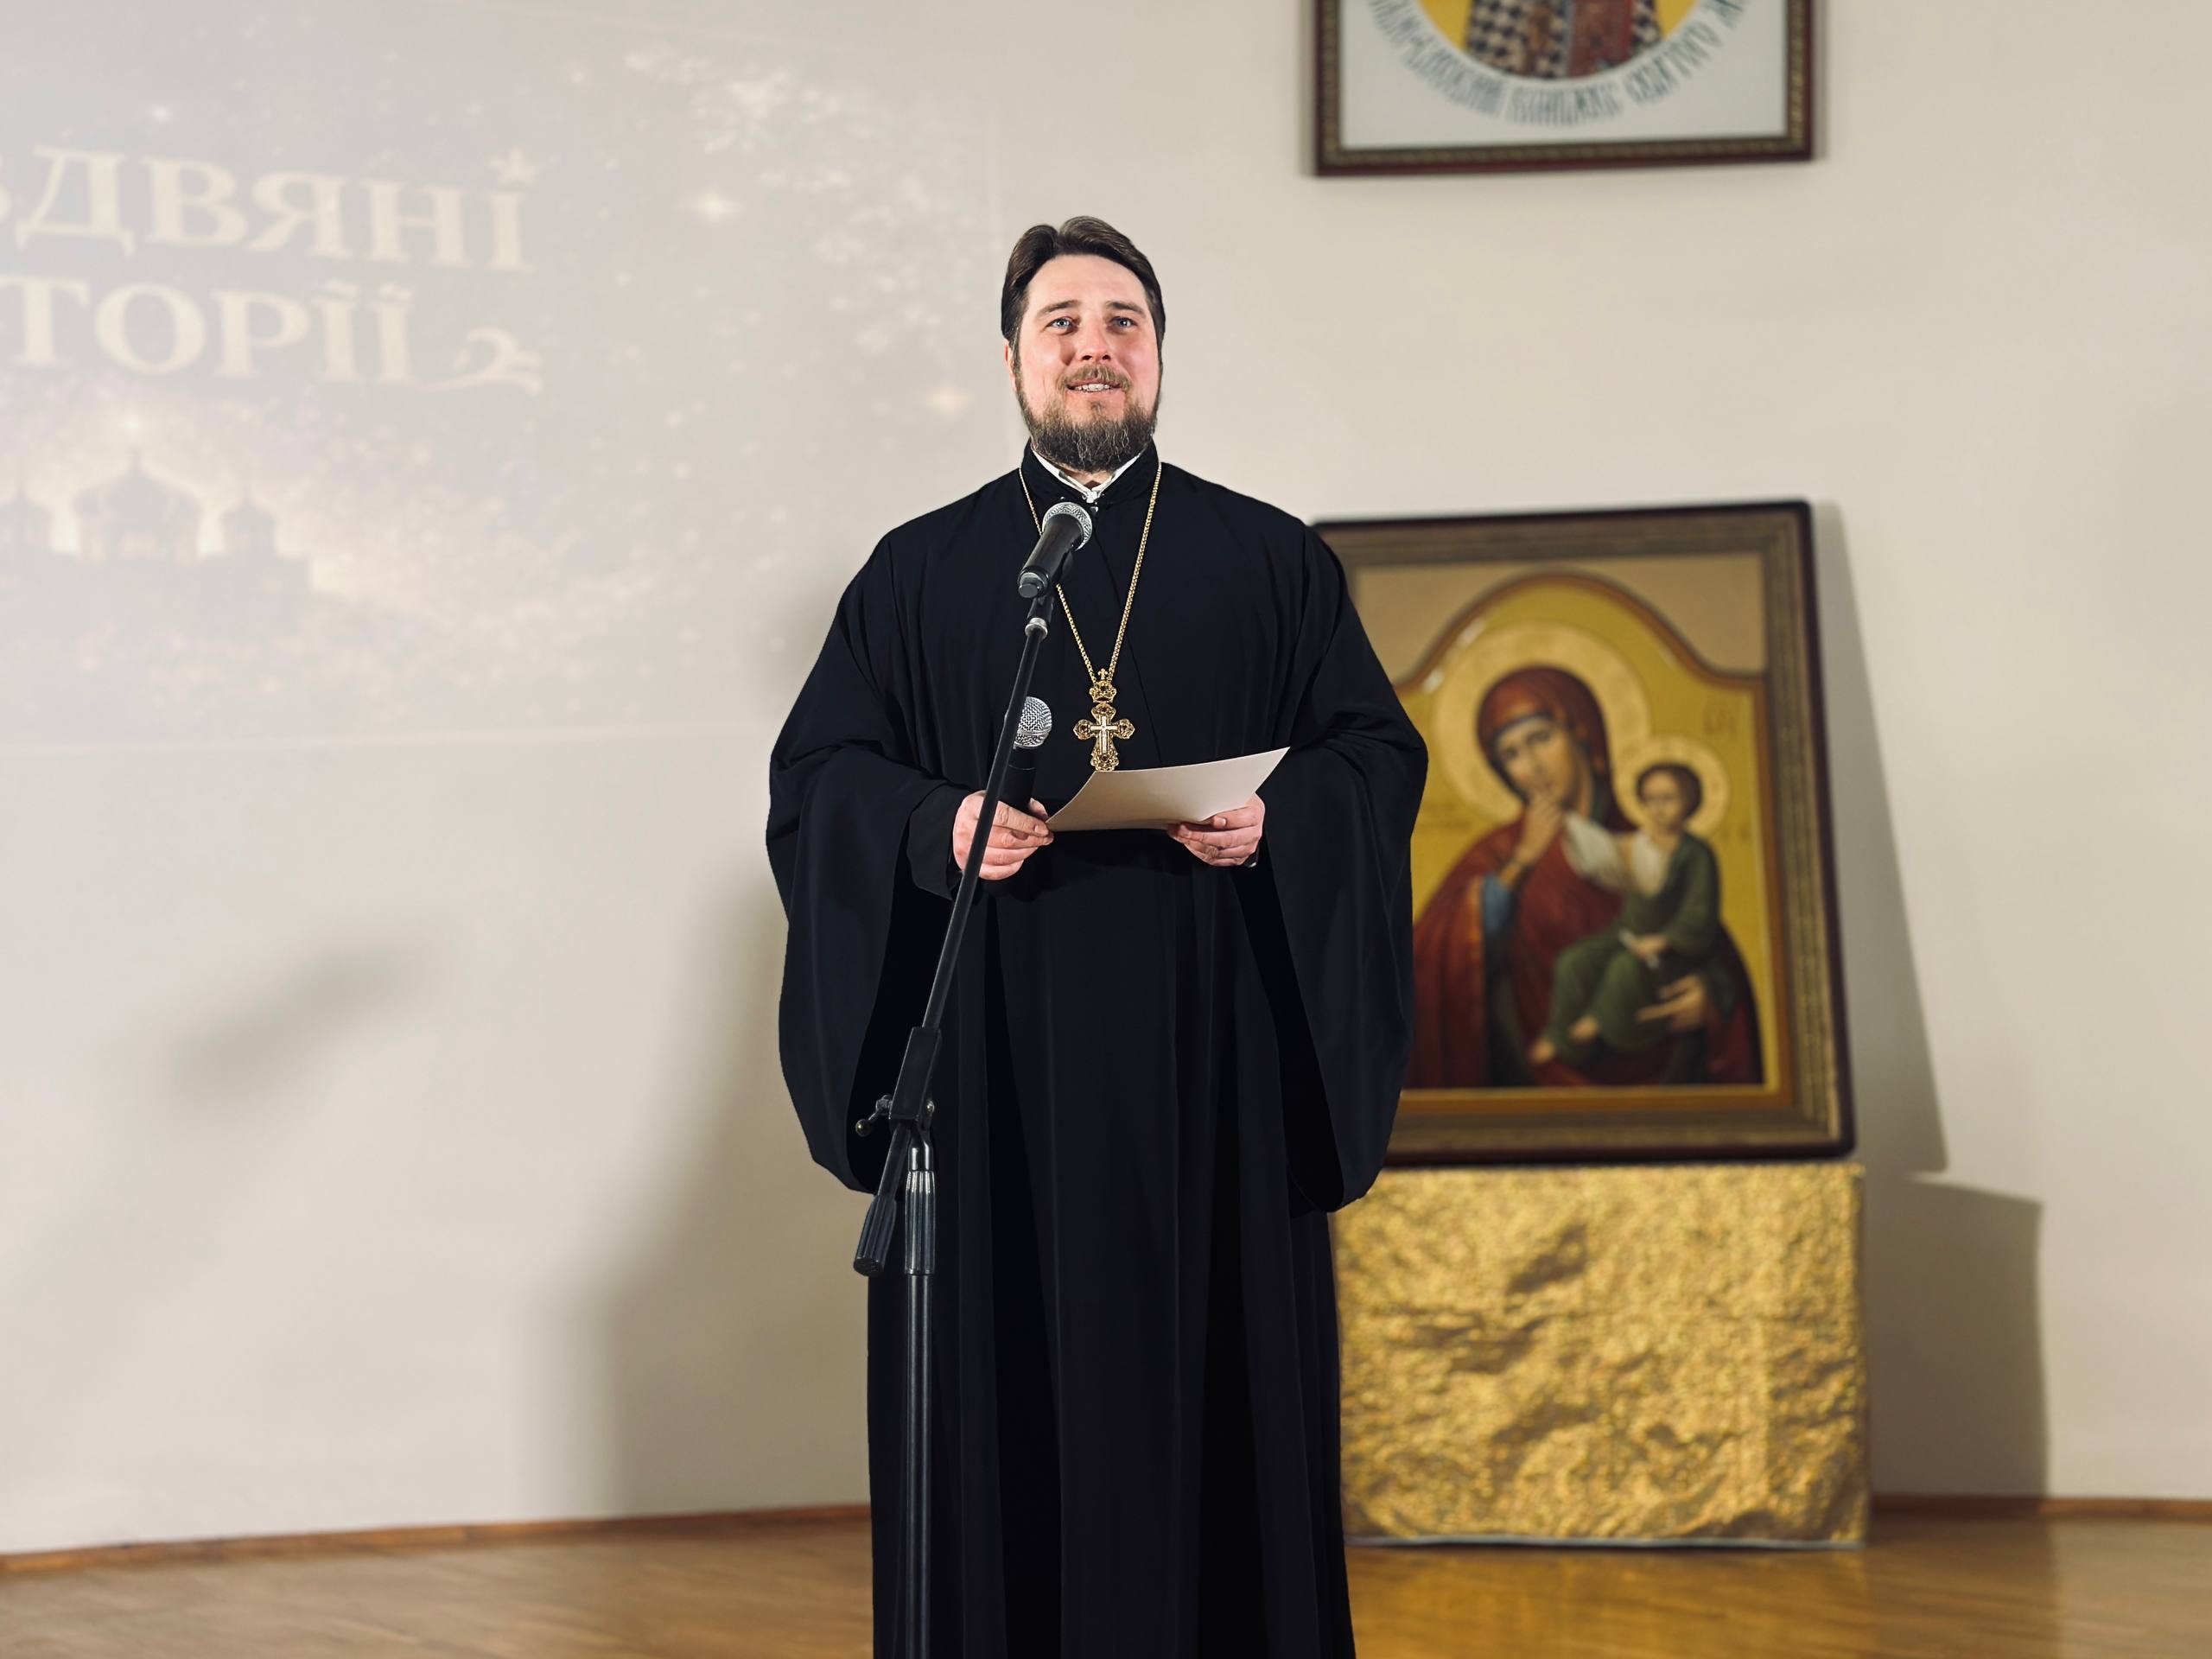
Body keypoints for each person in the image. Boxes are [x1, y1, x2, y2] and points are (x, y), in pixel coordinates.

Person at [766, 217, 1426, 1659]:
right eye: (1061, 322)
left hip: (1213, 1055)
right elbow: (819, 780)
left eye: (1124, 321)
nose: (1094, 346)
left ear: (1160, 355)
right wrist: (936, 823)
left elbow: (1375, 756)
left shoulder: (1269, 560)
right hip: (994, 1055)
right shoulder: (921, 573)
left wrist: (1284, 819)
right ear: (1012, 358)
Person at [1407, 665, 1760, 1090]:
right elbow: (1429, 965)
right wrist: (1520, 865)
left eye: (1541, 739)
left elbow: (1706, 941)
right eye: (1512, 755)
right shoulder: (1497, 856)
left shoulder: (1654, 847)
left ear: (1581, 733)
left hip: (1661, 1084)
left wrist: (1713, 998)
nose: (1532, 767)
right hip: (1523, 1087)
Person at [1529, 762, 1723, 1069]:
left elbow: (1699, 915)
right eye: (1651, 800)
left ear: (1689, 802)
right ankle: (1559, 1034)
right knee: (1573, 961)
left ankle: (1596, 1022)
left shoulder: (1696, 854)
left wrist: (1663, 940)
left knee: (1624, 968)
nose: (1658, 809)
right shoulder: (1638, 843)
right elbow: (1610, 861)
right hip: (1626, 933)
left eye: (1668, 799)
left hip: (1674, 951)